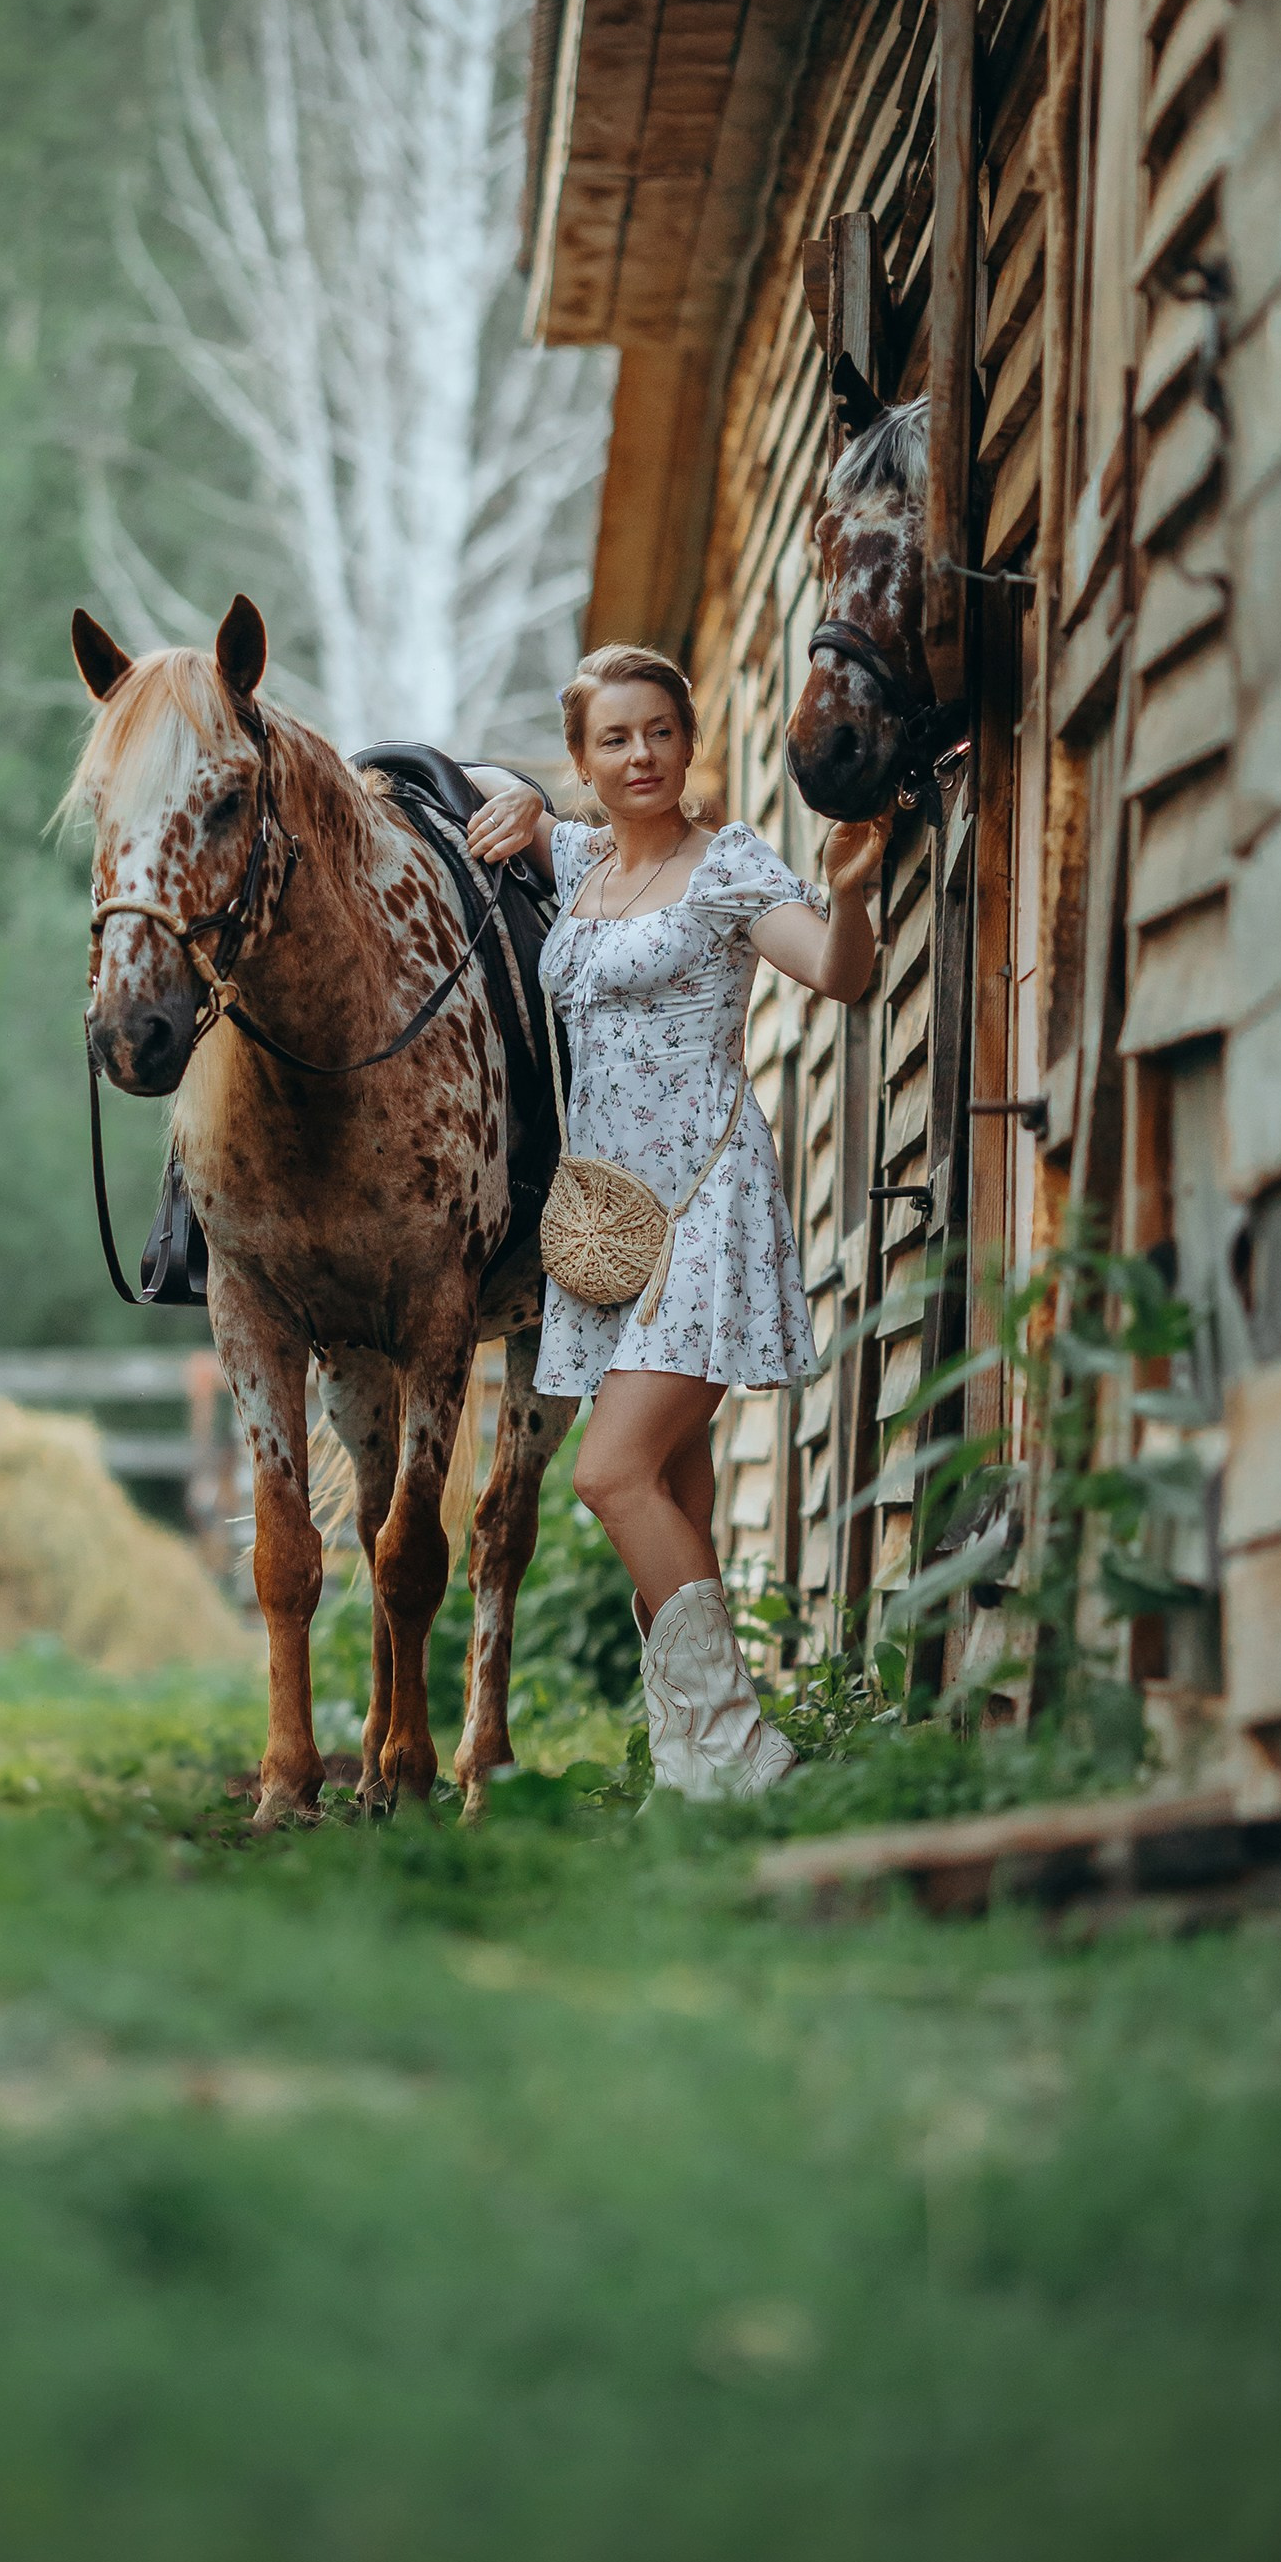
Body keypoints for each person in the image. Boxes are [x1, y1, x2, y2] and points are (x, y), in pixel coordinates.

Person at [467, 643, 888, 1797]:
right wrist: (523, 800)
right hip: (607, 1221)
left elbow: (836, 973)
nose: (640, 754)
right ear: (582, 759)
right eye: (614, 738)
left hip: (705, 1198)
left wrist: (848, 895)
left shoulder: (728, 865)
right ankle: (689, 1764)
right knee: (674, 1483)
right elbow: (494, 796)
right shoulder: (579, 860)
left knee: (608, 1475)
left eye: (659, 730)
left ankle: (745, 1754)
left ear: (687, 741)